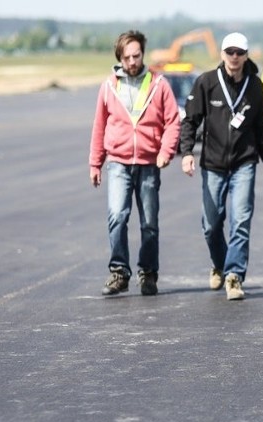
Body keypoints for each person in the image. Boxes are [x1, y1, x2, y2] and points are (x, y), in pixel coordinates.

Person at [180, 32, 263, 301]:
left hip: (244, 163)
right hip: (212, 164)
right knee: (211, 225)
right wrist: (186, 152)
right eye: (230, 52)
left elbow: (260, 129)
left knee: (241, 220)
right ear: (222, 54)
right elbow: (190, 121)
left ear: (246, 56)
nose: (234, 57)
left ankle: (234, 276)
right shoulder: (207, 83)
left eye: (239, 52)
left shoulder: (256, 86)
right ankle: (220, 264)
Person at [88, 30, 180, 296]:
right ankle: (119, 272)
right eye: (127, 57)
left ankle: (148, 273)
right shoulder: (109, 87)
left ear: (143, 54)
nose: (132, 61)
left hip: (150, 163)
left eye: (136, 55)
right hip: (118, 162)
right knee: (117, 216)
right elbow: (99, 126)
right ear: (120, 57)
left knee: (149, 222)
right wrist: (95, 163)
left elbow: (173, 121)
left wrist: (166, 151)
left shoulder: (158, 84)